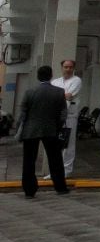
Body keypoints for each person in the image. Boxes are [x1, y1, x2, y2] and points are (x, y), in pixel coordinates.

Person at [15, 65, 70, 198]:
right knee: (55, 159)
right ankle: (60, 187)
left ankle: (29, 190)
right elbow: (63, 113)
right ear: (51, 76)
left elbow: (22, 113)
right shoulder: (59, 92)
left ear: (38, 76)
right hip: (51, 129)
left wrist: (19, 129)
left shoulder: (30, 92)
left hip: (30, 130)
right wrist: (57, 126)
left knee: (29, 161)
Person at [50, 58, 82, 177]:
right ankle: (54, 171)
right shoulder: (55, 82)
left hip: (70, 116)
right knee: (55, 145)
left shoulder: (76, 80)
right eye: (66, 67)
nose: (68, 69)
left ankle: (66, 171)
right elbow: (59, 97)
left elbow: (69, 96)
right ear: (62, 68)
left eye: (70, 67)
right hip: (56, 117)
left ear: (73, 68)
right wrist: (62, 95)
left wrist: (57, 96)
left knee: (68, 144)